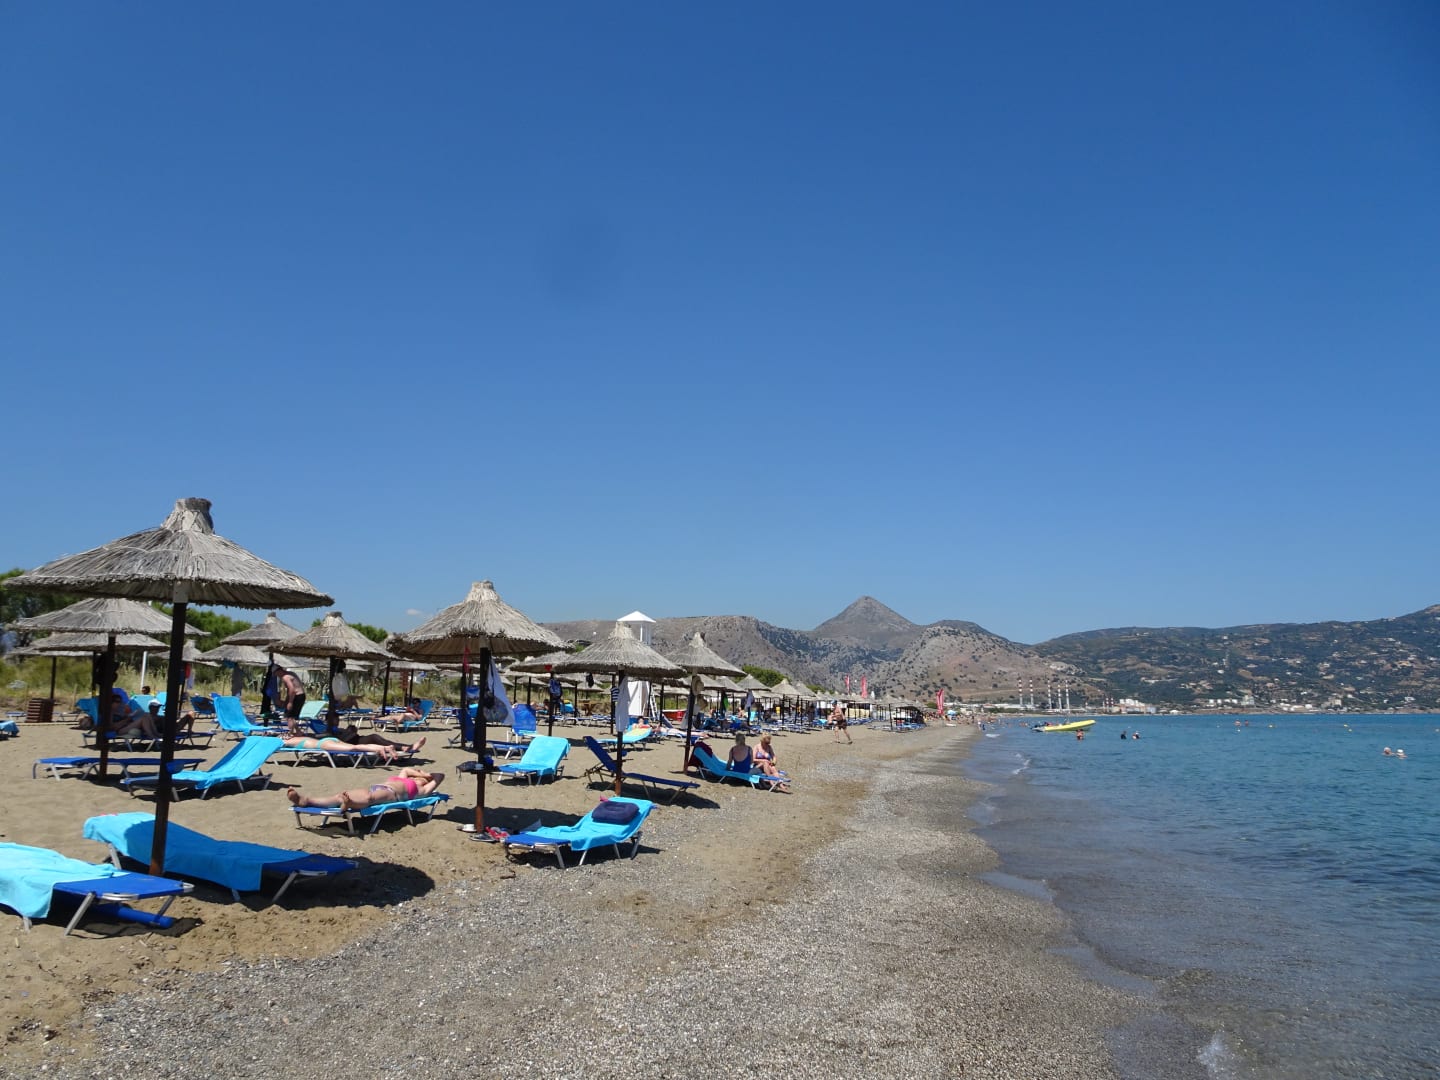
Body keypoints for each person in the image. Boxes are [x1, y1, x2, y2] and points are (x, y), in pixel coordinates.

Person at [284, 766, 444, 811]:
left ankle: (350, 804)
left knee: (369, 799)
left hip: (392, 795)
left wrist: (427, 776)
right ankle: (306, 800)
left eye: (420, 775)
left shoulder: (422, 791)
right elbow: (407, 769)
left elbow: (440, 776)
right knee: (341, 795)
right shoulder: (405, 777)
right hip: (378, 787)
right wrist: (420, 773)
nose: (418, 774)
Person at [280, 733, 422, 764]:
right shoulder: (296, 737)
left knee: (355, 748)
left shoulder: (286, 741)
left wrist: (281, 739)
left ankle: (381, 748)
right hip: (328, 740)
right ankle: (384, 747)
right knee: (355, 747)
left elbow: (276, 744)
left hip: (322, 745)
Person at [278, 667, 306, 735]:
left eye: (276, 673)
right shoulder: (291, 673)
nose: (277, 675)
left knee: (289, 716)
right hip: (301, 695)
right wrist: (286, 701)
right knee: (291, 716)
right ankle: (298, 731)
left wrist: (290, 702)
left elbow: (292, 690)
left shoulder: (285, 677)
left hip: (296, 696)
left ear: (279, 671)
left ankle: (290, 733)